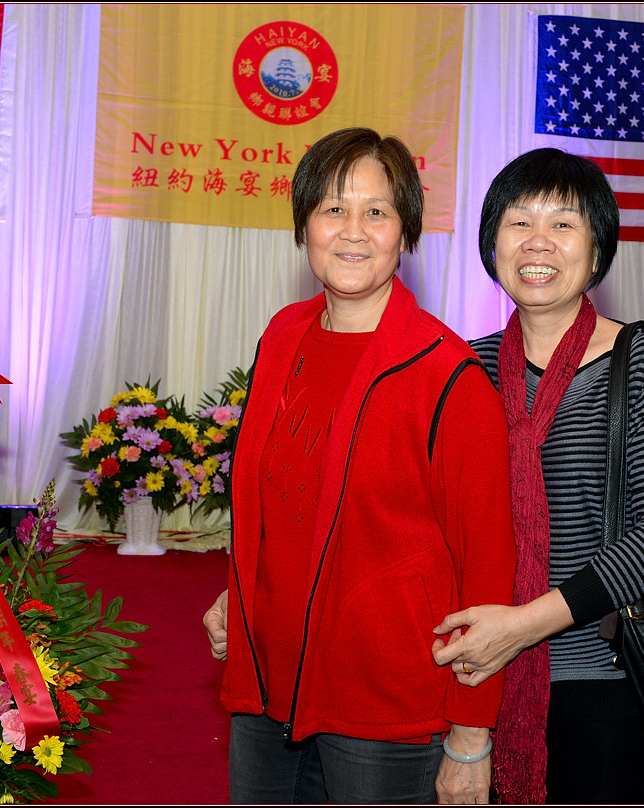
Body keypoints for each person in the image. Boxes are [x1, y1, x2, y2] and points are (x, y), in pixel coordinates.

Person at [202, 127, 516, 805]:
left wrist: (471, 733)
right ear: (304, 226)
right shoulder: (282, 337)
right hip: (269, 679)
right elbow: (277, 504)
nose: (353, 230)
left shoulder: (448, 376)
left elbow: (489, 569)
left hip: (385, 700)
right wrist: (244, 592)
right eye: (332, 209)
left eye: (376, 211)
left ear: (405, 233)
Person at [430, 148, 644, 804]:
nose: (538, 241)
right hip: (475, 675)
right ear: (492, 242)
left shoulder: (643, 360)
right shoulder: (462, 368)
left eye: (563, 223)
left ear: (598, 248)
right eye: (519, 221)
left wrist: (524, 626)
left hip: (606, 679)